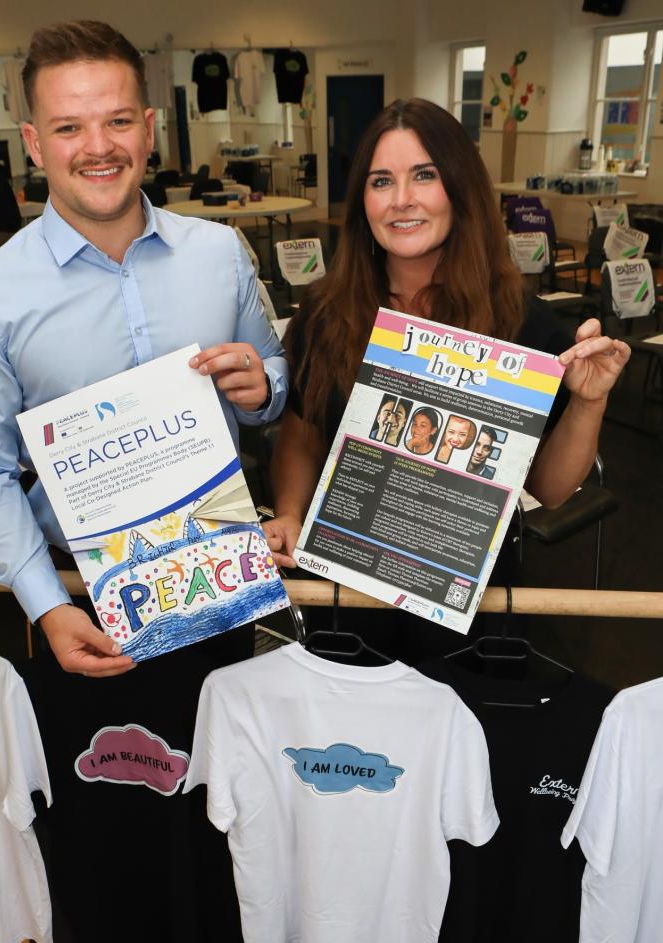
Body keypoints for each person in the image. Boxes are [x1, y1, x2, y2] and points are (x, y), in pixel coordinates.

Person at [0, 18, 286, 943]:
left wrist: (256, 384)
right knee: (105, 804)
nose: (97, 145)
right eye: (69, 125)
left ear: (148, 126)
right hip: (85, 603)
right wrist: (44, 606)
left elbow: (274, 374)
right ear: (33, 142)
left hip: (216, 585)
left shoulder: (219, 256)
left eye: (116, 119)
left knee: (216, 793)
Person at [265, 97, 629, 598]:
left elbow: (549, 488)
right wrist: (289, 511)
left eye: (425, 175)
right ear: (362, 200)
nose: (401, 199)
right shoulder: (326, 314)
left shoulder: (523, 323)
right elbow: (303, 434)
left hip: (464, 605)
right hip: (346, 595)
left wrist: (590, 401)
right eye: (381, 181)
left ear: (460, 188)